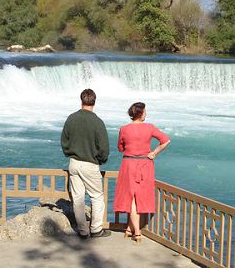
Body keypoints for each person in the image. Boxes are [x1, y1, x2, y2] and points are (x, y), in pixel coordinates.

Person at [113, 102, 170, 243]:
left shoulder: (124, 129)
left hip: (128, 164)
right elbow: (166, 140)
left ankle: (130, 229)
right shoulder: (149, 128)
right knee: (139, 197)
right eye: (145, 111)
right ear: (140, 113)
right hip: (145, 164)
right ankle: (137, 233)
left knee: (130, 197)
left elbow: (120, 148)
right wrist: (154, 153)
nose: (146, 114)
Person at [61, 89, 111, 239]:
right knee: (96, 196)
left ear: (81, 100)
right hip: (90, 164)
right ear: (94, 102)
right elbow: (104, 148)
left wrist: (69, 154)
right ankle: (96, 229)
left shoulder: (71, 118)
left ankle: (83, 231)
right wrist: (100, 160)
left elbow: (64, 142)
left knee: (77, 198)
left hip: (74, 163)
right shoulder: (97, 122)